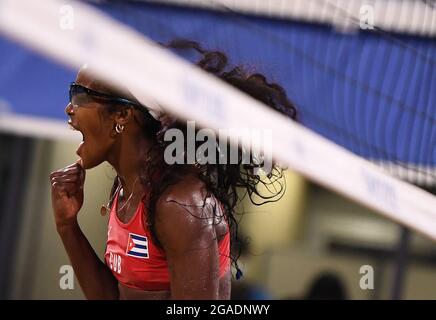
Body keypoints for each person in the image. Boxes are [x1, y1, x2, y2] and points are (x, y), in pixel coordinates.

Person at [49, 40, 297, 300]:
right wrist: (67, 225)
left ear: (121, 115)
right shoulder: (125, 189)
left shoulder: (178, 203)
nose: (69, 108)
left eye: (80, 95)